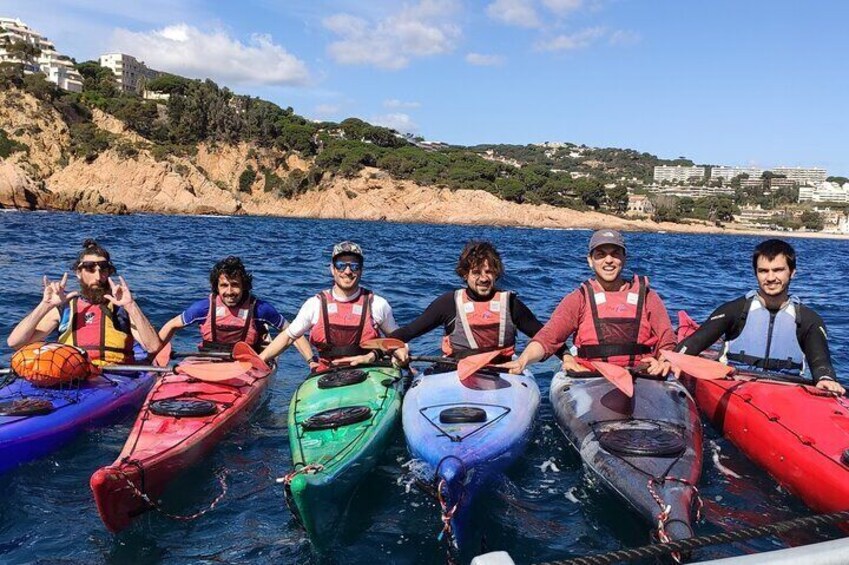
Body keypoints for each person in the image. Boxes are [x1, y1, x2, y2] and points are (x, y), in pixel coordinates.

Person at [676, 238, 843, 394]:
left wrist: (825, 379)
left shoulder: (809, 319)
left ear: (792, 272)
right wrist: (671, 361)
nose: (770, 278)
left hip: (788, 391)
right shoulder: (735, 310)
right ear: (756, 273)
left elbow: (821, 364)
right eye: (763, 271)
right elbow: (693, 344)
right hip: (735, 387)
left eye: (778, 270)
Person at [505, 229, 675, 375]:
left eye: (615, 254)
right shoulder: (579, 298)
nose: (608, 260)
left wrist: (664, 360)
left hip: (641, 374)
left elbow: (666, 339)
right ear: (590, 260)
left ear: (624, 258)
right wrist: (523, 360)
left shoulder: (647, 296)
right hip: (591, 376)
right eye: (600, 255)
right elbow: (549, 337)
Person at [391, 240, 552, 364]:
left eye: (489, 272)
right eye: (476, 272)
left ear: (496, 274)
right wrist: (380, 350)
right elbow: (410, 331)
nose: (483, 278)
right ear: (464, 274)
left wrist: (565, 357)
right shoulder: (448, 304)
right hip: (456, 370)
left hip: (501, 372)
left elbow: (547, 337)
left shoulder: (511, 304)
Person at [7, 239, 161, 365]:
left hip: (116, 378)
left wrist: (131, 306)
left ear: (108, 273)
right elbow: (15, 343)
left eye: (103, 269)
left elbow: (153, 347)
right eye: (90, 268)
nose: (98, 275)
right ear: (79, 273)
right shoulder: (65, 308)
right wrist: (45, 306)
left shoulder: (122, 308)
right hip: (72, 377)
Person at [259, 241, 399, 370]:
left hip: (369, 372)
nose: (348, 271)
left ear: (361, 270)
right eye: (341, 265)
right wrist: (259, 360)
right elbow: (288, 337)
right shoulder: (315, 304)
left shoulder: (378, 305)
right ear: (332, 269)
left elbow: (398, 342)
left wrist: (401, 356)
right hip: (327, 374)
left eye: (354, 266)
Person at [158, 256, 313, 360]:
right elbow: (172, 325)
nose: (230, 292)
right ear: (216, 287)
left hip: (247, 365)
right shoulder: (204, 308)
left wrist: (311, 361)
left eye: (235, 285)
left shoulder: (260, 309)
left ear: (244, 286)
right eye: (224, 285)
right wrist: (153, 356)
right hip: (208, 362)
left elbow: (293, 332)